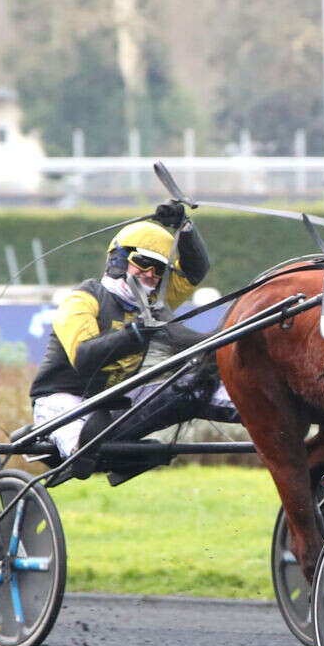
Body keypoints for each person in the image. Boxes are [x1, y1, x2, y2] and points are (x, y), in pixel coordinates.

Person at [28, 203, 237, 477]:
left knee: (192, 386)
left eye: (159, 269)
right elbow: (84, 359)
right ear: (118, 259)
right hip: (63, 399)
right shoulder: (82, 300)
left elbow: (195, 270)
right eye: (143, 263)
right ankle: (106, 449)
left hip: (114, 401)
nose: (150, 274)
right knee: (88, 452)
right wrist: (135, 334)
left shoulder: (150, 301)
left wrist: (185, 229)